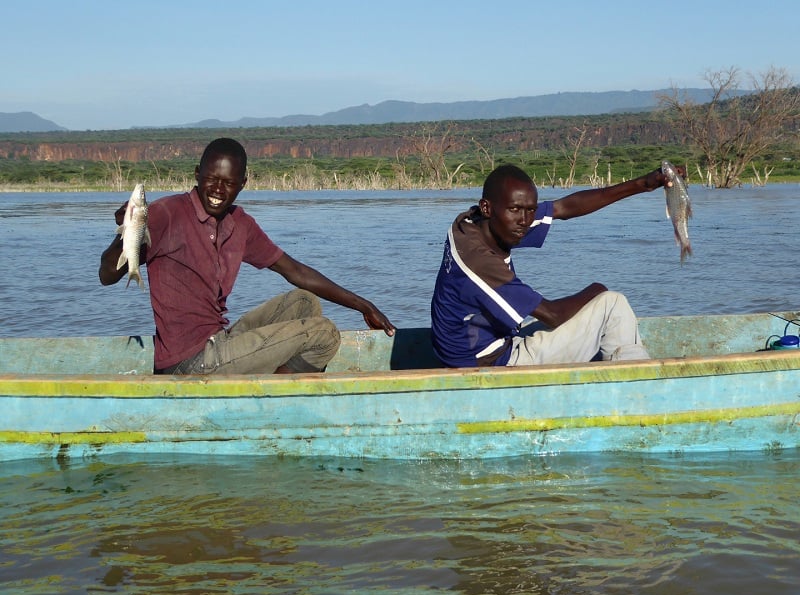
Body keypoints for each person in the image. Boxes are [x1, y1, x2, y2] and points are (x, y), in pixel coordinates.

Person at [99, 137, 395, 375]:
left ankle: (271, 377)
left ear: (243, 183)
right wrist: (125, 232)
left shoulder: (239, 224)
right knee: (325, 334)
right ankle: (271, 396)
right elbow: (107, 275)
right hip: (188, 361)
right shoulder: (166, 213)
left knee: (304, 302)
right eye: (211, 179)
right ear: (197, 175)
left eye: (228, 183)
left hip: (219, 341)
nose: (217, 190)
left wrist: (362, 305)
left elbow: (295, 271)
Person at [431, 163, 682, 368]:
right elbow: (553, 315)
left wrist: (643, 184)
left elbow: (565, 207)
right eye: (516, 210)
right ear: (487, 207)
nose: (525, 221)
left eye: (530, 210)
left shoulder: (470, 224)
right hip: (492, 365)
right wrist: (595, 290)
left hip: (484, 349)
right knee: (611, 305)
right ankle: (637, 391)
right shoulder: (479, 262)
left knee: (603, 308)